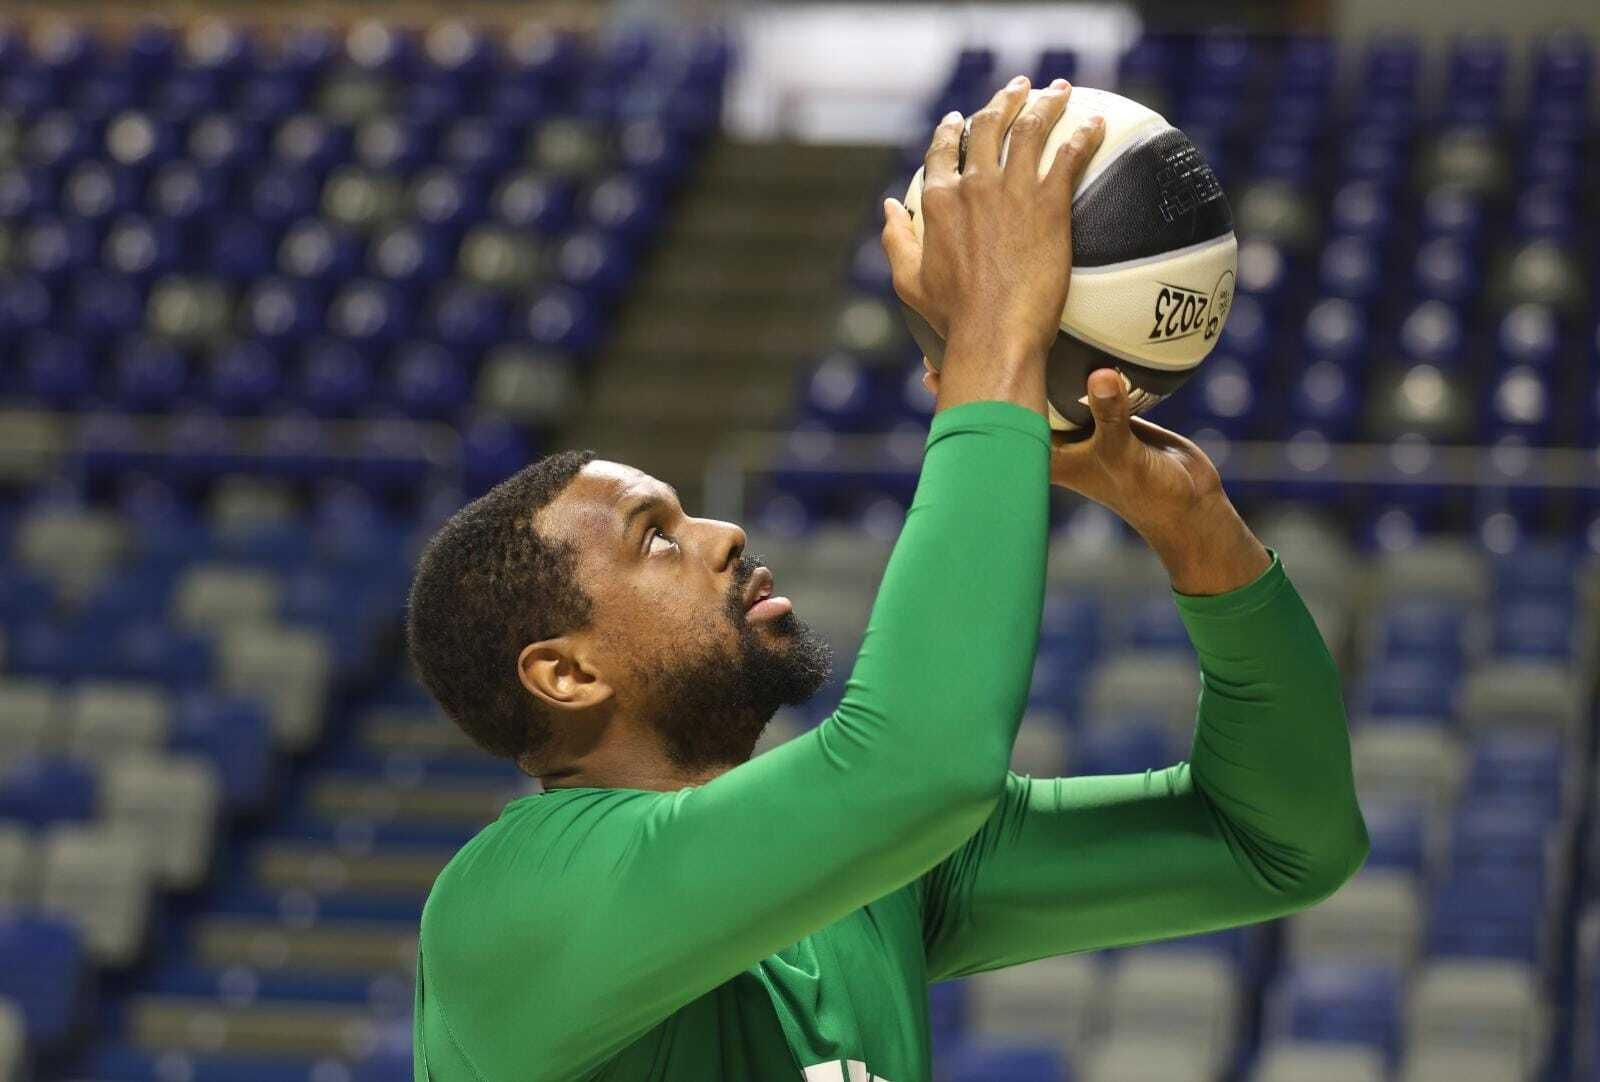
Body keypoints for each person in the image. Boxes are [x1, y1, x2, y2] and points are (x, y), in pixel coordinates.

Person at [406, 76, 1368, 1082]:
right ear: (563, 673)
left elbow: (1278, 841)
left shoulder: (871, 871)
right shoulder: (507, 906)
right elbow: (920, 762)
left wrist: (1187, 518)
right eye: (656, 536)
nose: (725, 533)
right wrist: (996, 345)